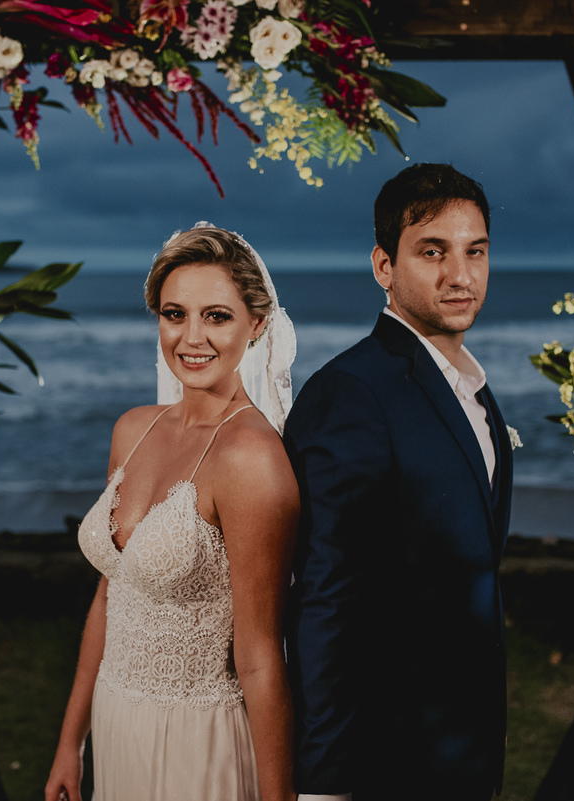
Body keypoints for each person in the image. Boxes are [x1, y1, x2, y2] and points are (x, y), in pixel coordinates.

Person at [46, 224, 300, 801]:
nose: (191, 337)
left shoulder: (251, 458)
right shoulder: (133, 429)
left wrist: (278, 797)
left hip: (198, 741)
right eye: (174, 314)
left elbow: (261, 655)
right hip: (116, 724)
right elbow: (110, 595)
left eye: (217, 316)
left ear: (256, 325)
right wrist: (71, 743)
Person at [284, 164, 514, 801]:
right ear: (384, 266)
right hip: (387, 756)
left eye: (476, 252)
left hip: (462, 748)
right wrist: (323, 783)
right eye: (432, 251)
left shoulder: (471, 387)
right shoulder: (352, 393)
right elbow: (325, 596)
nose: (460, 275)